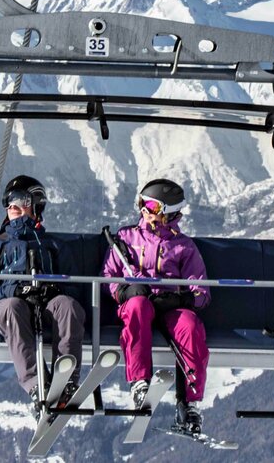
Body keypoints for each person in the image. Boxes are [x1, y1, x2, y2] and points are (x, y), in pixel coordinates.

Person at [102, 178, 210, 436]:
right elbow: (108, 277)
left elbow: (202, 291)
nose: (144, 210)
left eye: (152, 205)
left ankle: (189, 403)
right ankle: (140, 382)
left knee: (190, 325)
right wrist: (125, 291)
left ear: (169, 212)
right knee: (138, 306)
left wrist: (181, 299)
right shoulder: (126, 239)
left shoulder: (183, 246)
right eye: (144, 203)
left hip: (169, 305)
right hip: (139, 302)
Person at [0, 174, 85, 413]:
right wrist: (12, 289)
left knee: (67, 305)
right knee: (13, 307)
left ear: (35, 206)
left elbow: (75, 287)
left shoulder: (52, 246)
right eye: (9, 201)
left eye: (20, 200)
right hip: (13, 308)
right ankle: (36, 384)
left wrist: (53, 288)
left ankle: (65, 379)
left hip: (46, 307)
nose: (12, 206)